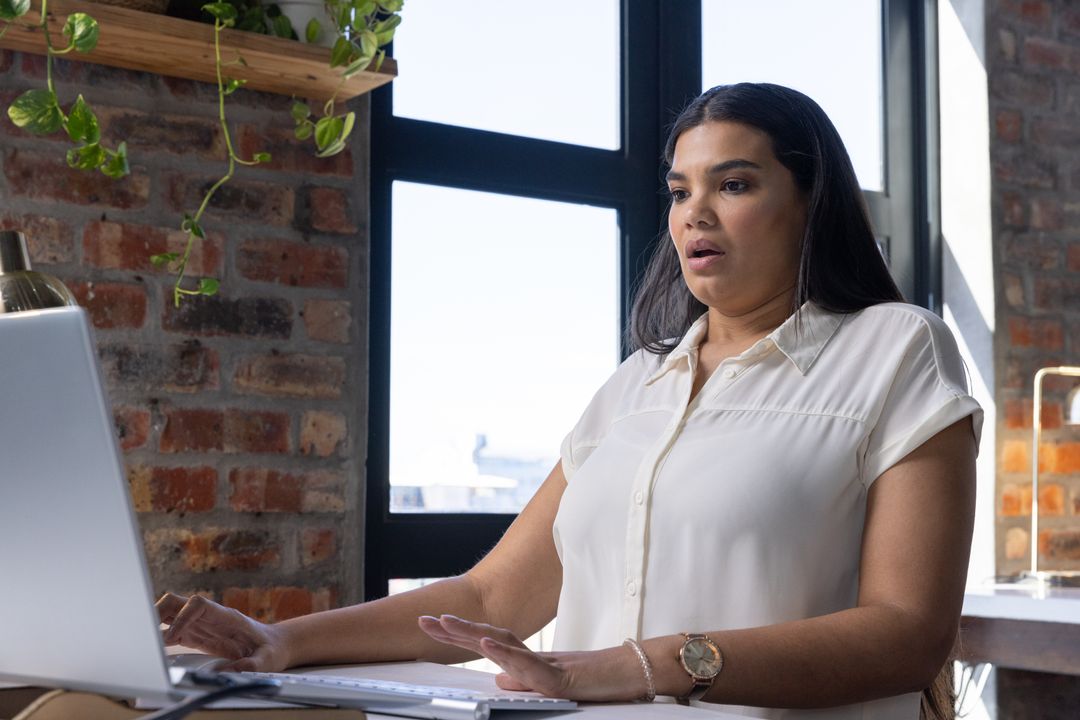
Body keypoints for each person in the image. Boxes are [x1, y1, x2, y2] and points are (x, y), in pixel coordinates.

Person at [156, 83, 981, 720]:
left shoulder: (896, 347)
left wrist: (632, 666)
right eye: (679, 189)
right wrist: (281, 641)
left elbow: (908, 634)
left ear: (810, 202)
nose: (694, 212)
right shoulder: (635, 384)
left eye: (734, 183)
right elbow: (491, 598)